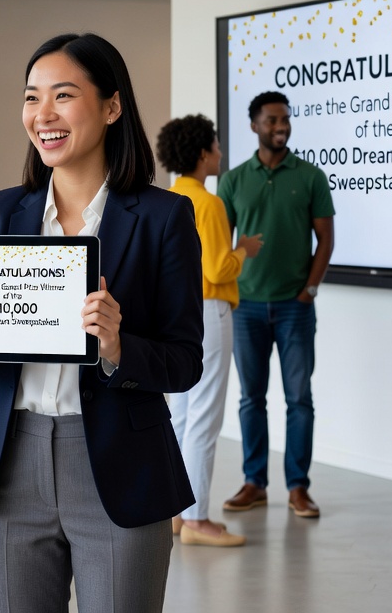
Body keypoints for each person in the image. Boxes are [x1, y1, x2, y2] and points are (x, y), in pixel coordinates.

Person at [0, 33, 204, 612]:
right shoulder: (0, 211)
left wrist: (118, 346)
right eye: (31, 97)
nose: (42, 114)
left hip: (121, 469)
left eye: (63, 95)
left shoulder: (164, 216)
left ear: (111, 106)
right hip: (9, 466)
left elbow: (184, 361)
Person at [218, 90, 335, 519]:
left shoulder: (310, 176)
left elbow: (326, 240)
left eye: (285, 119)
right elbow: (218, 244)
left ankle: (298, 487)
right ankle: (255, 482)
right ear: (254, 125)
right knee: (252, 399)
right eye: (271, 120)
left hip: (295, 307)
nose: (280, 126)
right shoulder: (232, 180)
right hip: (245, 305)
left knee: (299, 398)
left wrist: (310, 290)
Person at [156, 114, 261, 547]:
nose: (220, 152)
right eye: (216, 145)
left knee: (179, 415)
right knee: (205, 418)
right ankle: (198, 519)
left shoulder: (168, 196)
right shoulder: (209, 203)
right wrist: (244, 249)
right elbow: (218, 267)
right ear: (202, 153)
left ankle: (176, 513)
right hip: (210, 312)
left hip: (174, 314)